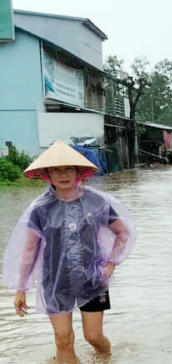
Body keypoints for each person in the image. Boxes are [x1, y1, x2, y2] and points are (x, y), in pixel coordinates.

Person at [3, 141, 135, 364]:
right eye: (56, 169)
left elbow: (122, 232)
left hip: (92, 279)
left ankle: (105, 358)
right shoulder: (41, 209)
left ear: (78, 172)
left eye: (68, 169)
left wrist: (111, 263)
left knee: (93, 337)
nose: (63, 174)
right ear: (48, 175)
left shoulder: (97, 202)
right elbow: (29, 250)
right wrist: (21, 288)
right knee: (63, 339)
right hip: (56, 282)